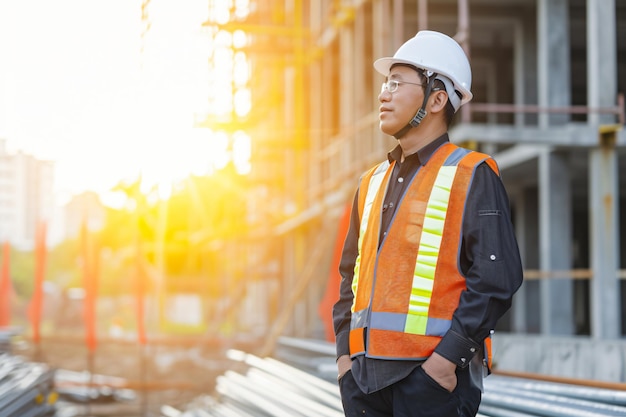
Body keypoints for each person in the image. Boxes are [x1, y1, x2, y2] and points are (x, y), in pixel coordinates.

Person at [332, 30, 524, 417]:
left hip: (431, 385)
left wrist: (445, 361)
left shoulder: (472, 174)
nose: (384, 94)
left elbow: (495, 279)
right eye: (386, 83)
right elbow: (350, 276)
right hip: (364, 383)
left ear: (437, 99)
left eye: (397, 82)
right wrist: (344, 360)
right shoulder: (370, 183)